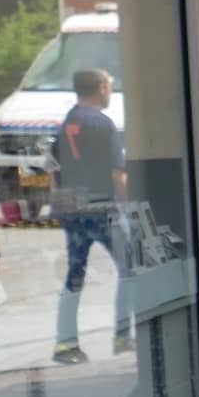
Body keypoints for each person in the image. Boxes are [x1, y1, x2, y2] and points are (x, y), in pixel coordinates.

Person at [51, 68, 134, 365]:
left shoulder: (67, 123)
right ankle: (123, 336)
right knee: (130, 269)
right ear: (101, 88)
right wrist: (128, 206)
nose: (110, 91)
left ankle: (65, 344)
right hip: (104, 210)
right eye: (109, 86)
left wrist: (59, 209)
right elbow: (117, 174)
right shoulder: (104, 124)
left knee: (74, 276)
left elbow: (55, 170)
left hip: (74, 212)